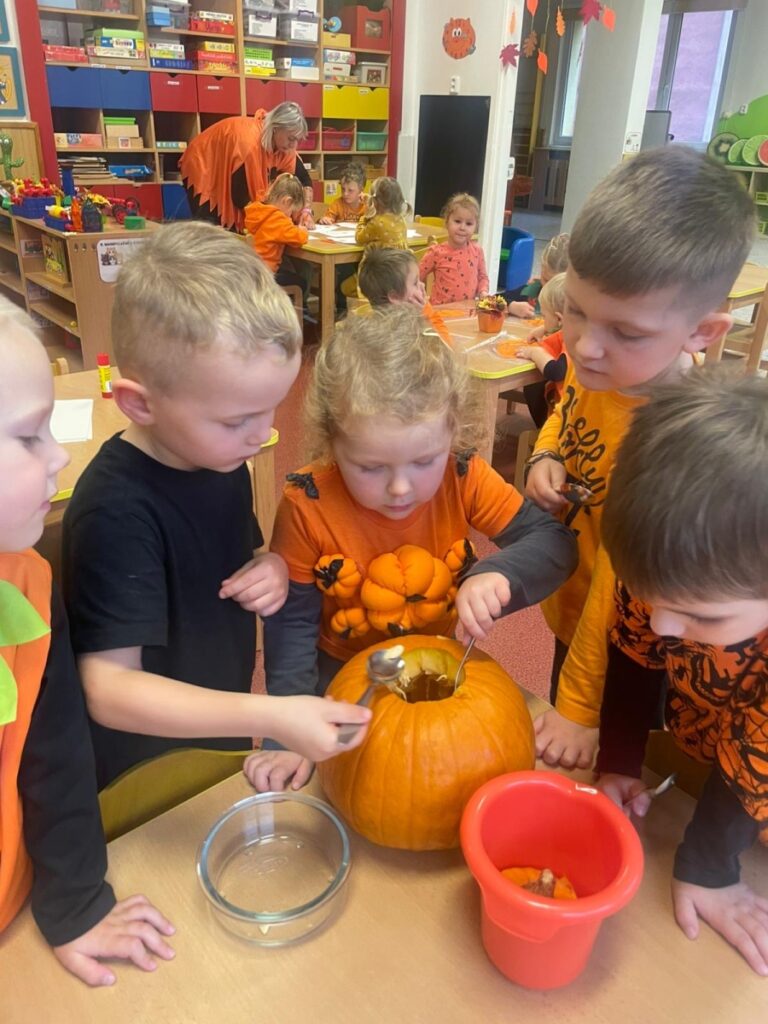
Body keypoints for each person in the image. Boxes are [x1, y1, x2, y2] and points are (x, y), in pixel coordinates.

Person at [62, 222, 371, 790]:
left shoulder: (220, 460)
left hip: (215, 742)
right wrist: (270, 714)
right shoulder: (114, 512)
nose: (264, 433)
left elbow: (237, 555)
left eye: (271, 407)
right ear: (139, 405)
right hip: (142, 777)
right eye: (237, 419)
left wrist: (270, 565)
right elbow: (109, 689)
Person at [245, 307, 578, 792]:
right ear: (332, 445)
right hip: (338, 676)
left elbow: (555, 543)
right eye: (370, 468)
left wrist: (500, 574)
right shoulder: (306, 504)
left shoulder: (462, 473)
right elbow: (291, 629)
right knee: (352, 786)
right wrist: (288, 730)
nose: (400, 488)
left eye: (424, 461)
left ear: (452, 434)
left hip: (439, 663)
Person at [525, 146, 755, 770]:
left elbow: (618, 593)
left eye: (626, 331)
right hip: (573, 607)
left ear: (702, 333)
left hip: (632, 653)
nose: (585, 346)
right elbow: (566, 408)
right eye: (576, 310)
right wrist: (545, 454)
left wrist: (579, 707)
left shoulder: (670, 441)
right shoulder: (599, 366)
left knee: (625, 772)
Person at [0, 301, 175, 986]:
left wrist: (74, 905)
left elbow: (56, 758)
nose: (59, 457)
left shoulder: (29, 585)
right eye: (27, 437)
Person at [594, 367, 768, 976]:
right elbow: (634, 655)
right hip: (711, 756)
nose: (663, 626)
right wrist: (619, 762)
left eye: (700, 616)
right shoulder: (669, 576)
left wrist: (709, 870)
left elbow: (755, 758)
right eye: (650, 599)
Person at [180, 102, 315, 232]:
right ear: (275, 127)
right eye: (291, 139)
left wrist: (306, 211)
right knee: (212, 229)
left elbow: (304, 180)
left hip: (232, 162)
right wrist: (269, 220)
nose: (293, 145)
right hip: (203, 161)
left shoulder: (286, 149)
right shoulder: (250, 145)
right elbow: (240, 198)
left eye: (297, 140)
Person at [357, 246, 450, 344]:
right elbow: (445, 343)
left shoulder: (376, 323)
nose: (422, 285)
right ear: (395, 297)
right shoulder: (407, 331)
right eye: (415, 283)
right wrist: (427, 312)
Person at [514, 271, 567, 428]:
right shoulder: (571, 329)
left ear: (559, 319)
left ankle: (542, 429)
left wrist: (534, 352)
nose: (543, 320)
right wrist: (545, 328)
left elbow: (556, 371)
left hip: (565, 417)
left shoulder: (573, 339)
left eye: (544, 316)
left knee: (533, 387)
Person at [244, 173, 310, 298]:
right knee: (301, 282)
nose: (290, 215)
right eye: (291, 211)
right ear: (287, 201)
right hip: (267, 275)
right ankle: (295, 309)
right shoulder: (278, 219)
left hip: (253, 272)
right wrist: (303, 230)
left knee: (291, 270)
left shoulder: (259, 211)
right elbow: (300, 238)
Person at [418, 193, 488, 304]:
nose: (462, 227)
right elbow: (415, 277)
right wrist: (419, 294)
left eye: (469, 223)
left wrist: (483, 291)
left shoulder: (477, 251)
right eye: (457, 221)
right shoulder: (436, 252)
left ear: (475, 227)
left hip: (467, 311)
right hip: (440, 311)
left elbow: (482, 277)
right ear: (447, 222)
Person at [507, 232, 569, 319]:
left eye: (555, 283)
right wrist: (511, 306)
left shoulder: (577, 304)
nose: (548, 287)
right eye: (546, 279)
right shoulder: (533, 290)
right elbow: (492, 300)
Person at [355, 176, 411, 251]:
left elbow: (359, 239)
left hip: (381, 259)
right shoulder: (401, 219)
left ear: (375, 201)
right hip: (400, 258)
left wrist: (364, 217)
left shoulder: (377, 223)